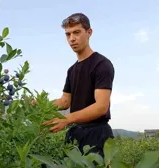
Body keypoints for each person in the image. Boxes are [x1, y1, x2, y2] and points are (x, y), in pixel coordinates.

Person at [40, 13, 115, 158]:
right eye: (68, 34)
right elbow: (65, 102)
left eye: (76, 32)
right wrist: (40, 105)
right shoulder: (72, 70)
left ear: (89, 32)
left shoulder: (101, 64)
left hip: (96, 134)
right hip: (74, 134)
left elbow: (101, 107)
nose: (72, 39)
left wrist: (66, 119)